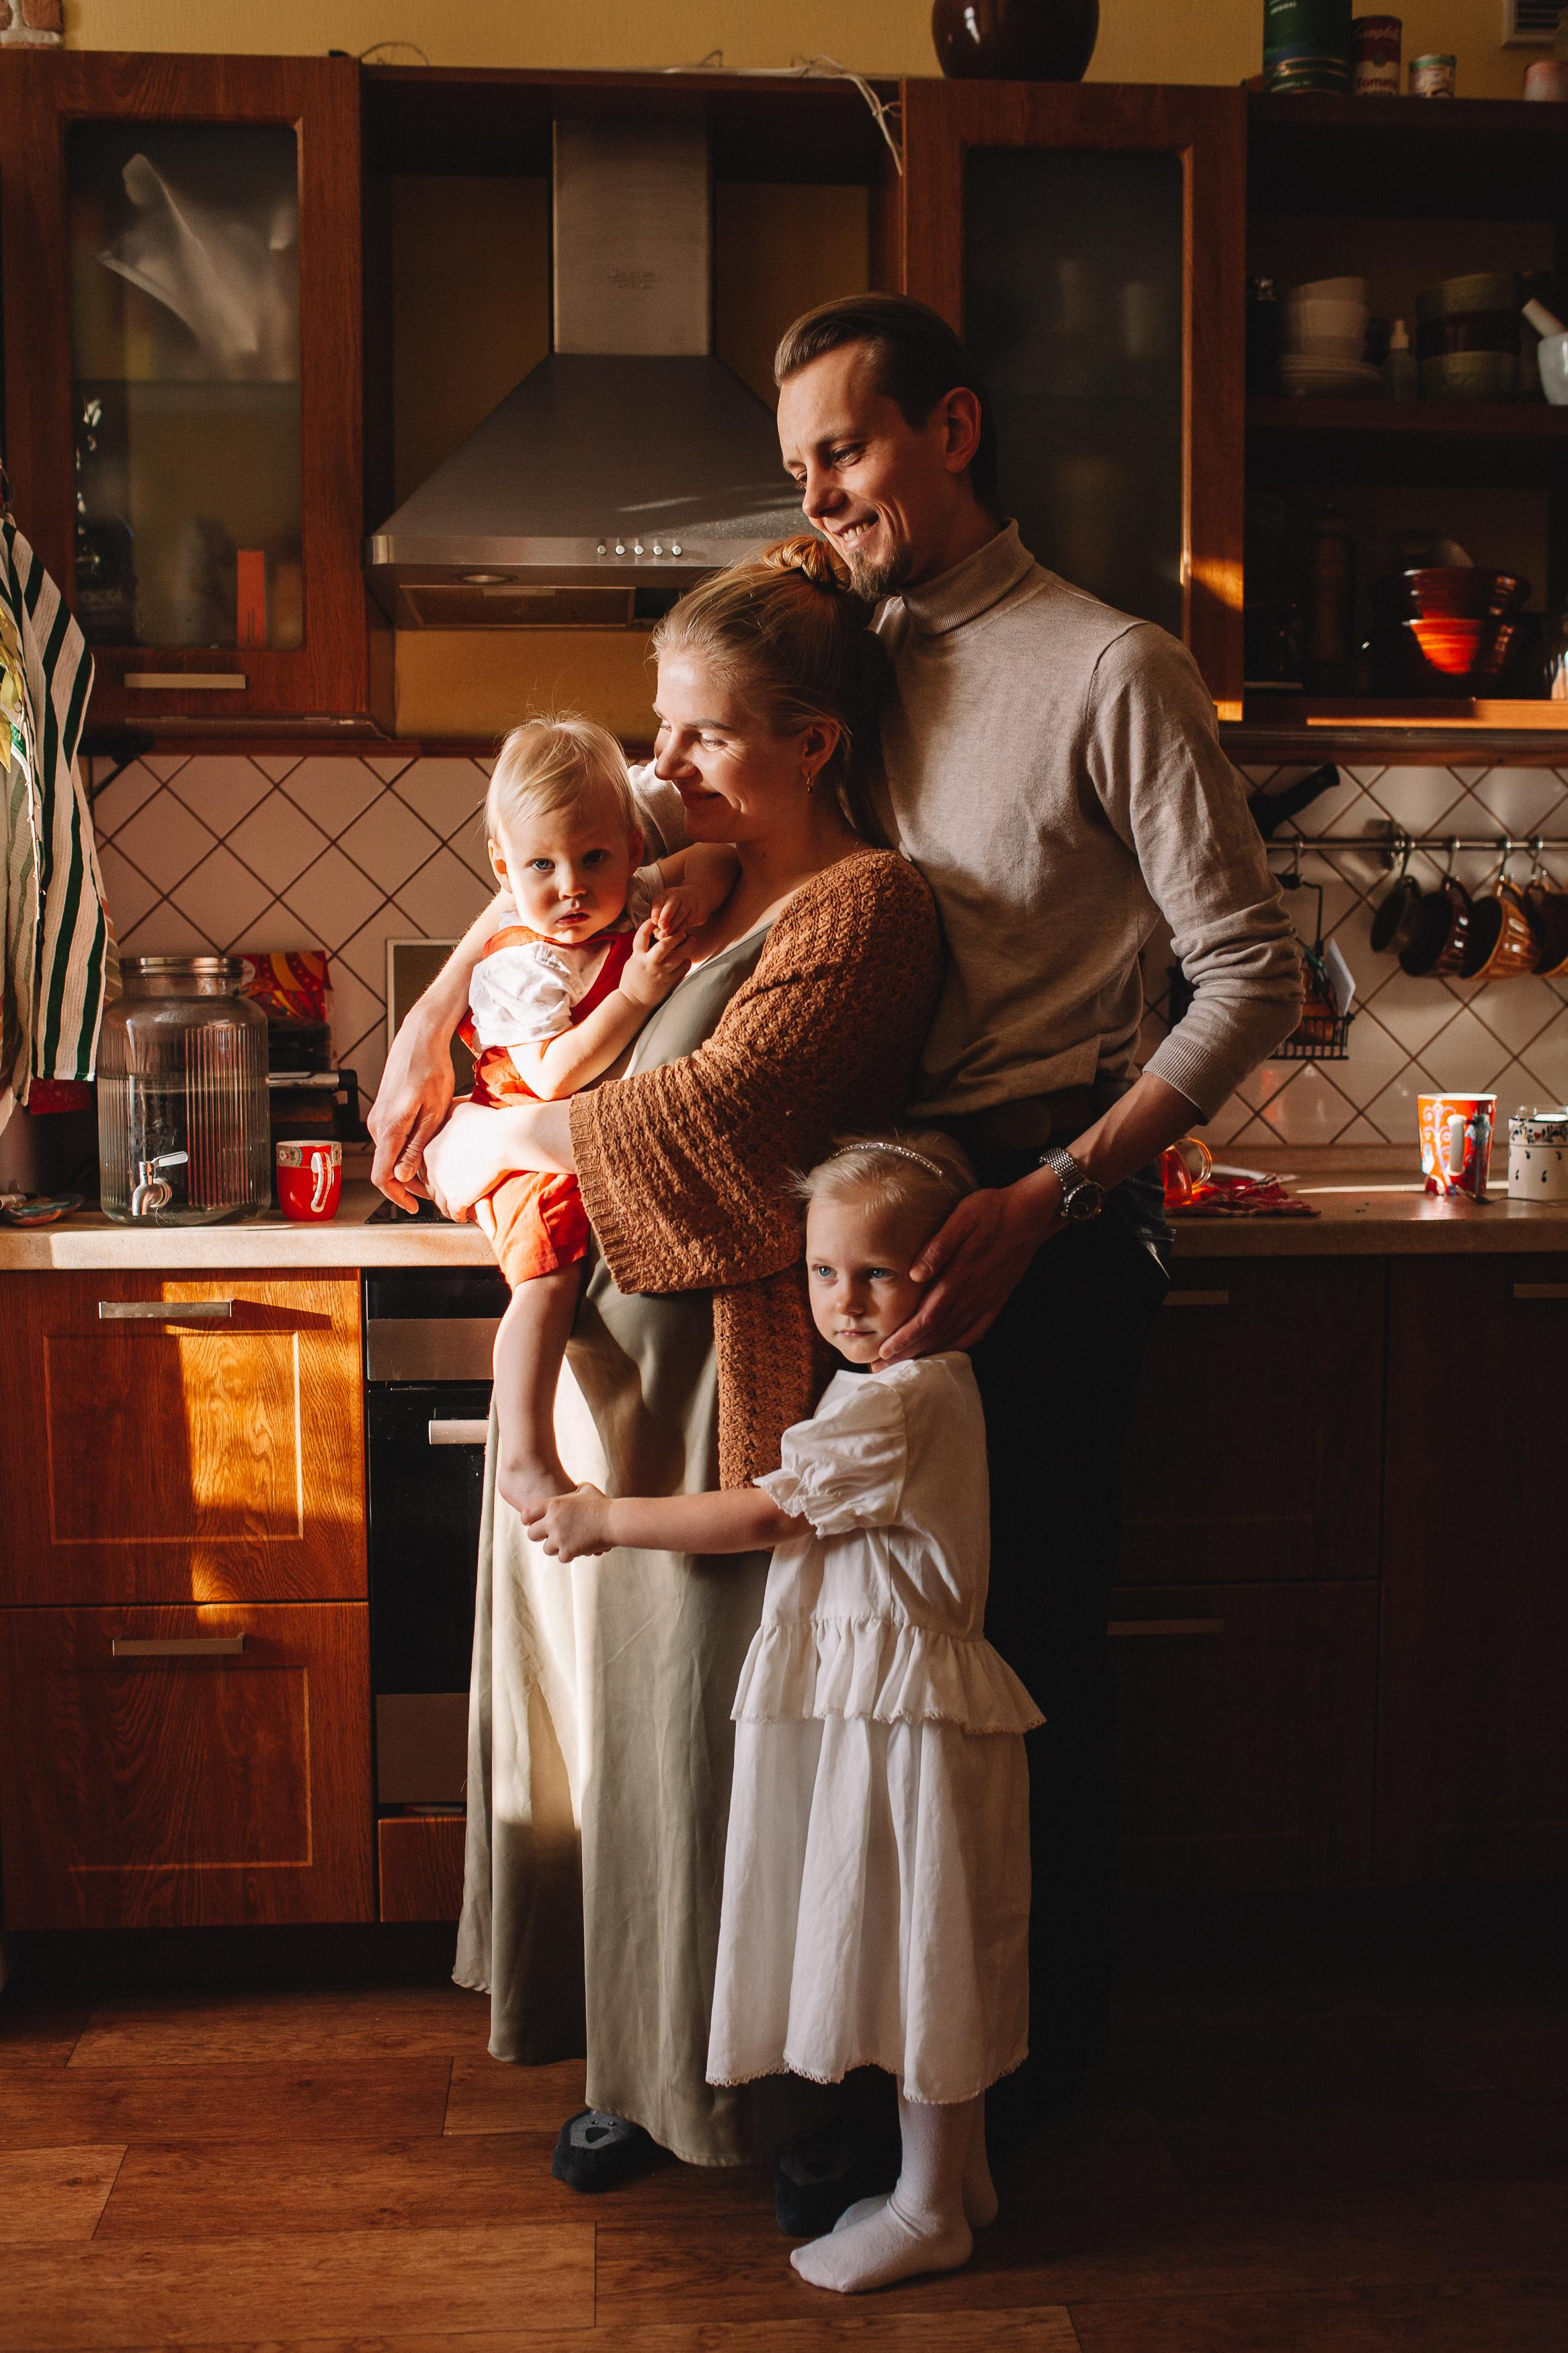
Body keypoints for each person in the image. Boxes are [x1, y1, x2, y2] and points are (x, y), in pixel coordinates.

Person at [766, 294, 1303, 2161]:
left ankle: (1024, 2080)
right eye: (799, 470)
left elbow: (1249, 974)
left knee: (1015, 1677)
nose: (821, 495)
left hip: (1041, 1218)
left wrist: (1056, 1188)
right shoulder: (837, 658)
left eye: (845, 448)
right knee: (865, 1673)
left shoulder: (1107, 667)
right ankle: (872, 2075)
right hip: (868, 1219)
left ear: (955, 428)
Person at [387, 537, 944, 2181]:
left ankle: (757, 2103)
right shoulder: (678, 879)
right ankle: (629, 2068)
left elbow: (712, 1129)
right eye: (663, 735)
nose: (663, 766)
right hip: (597, 1386)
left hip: (722, 1385)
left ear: (812, 743)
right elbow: (523, 907)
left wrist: (487, 1120)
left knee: (708, 1744)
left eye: (696, 737)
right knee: (610, 1749)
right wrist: (436, 1040)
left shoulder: (864, 909)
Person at [530, 1131, 1042, 2295]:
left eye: (875, 1273)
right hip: (884, 1713)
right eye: (822, 1272)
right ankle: (948, 2181)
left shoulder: (898, 1404)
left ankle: (928, 2211)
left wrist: (606, 1520)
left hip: (906, 1727)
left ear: (941, 1276)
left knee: (922, 1969)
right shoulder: (889, 1388)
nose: (843, 1300)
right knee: (914, 1958)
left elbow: (768, 1517)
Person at [456, 715, 737, 1515]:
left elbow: (720, 855)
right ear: (503, 868)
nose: (571, 886)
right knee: (547, 1278)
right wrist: (637, 992)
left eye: (594, 858)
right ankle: (525, 1451)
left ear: (634, 851)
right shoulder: (521, 959)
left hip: (588, 1144)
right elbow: (549, 1072)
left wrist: (689, 896)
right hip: (524, 1144)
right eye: (541, 864)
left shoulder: (635, 900)